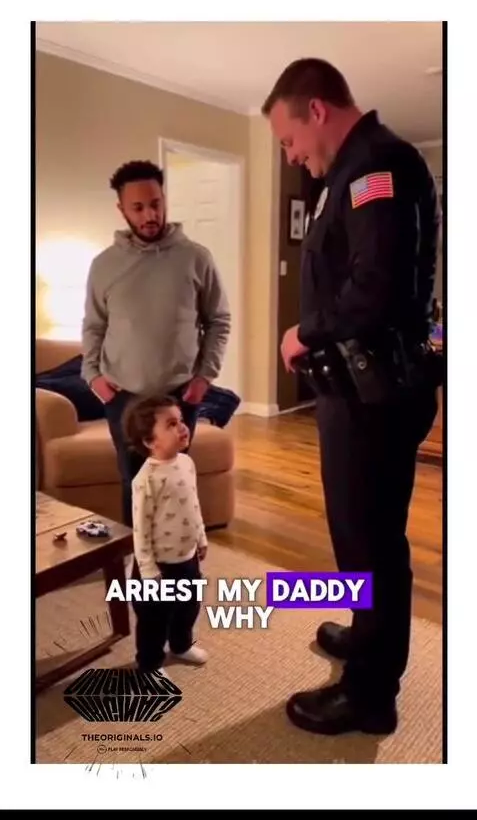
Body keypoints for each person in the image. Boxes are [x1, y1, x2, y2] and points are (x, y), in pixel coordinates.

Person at [262, 58, 442, 736]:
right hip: (352, 392)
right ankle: (367, 631)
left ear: (316, 110)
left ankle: (371, 695)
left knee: (371, 539)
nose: (290, 153)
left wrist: (302, 331)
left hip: (377, 396)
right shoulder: (347, 174)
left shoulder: (378, 168)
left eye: (287, 139)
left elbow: (378, 288)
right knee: (354, 532)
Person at [81, 160, 231, 527]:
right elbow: (94, 326)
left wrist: (203, 379)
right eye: (138, 207)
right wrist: (93, 377)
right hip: (124, 398)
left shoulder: (196, 257)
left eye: (156, 203)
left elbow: (218, 320)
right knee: (134, 485)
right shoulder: (104, 265)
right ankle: (139, 572)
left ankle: (179, 566)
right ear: (122, 210)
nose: (150, 214)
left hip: (180, 396)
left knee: (176, 483)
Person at [122, 393, 209, 671]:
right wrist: (147, 569)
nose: (182, 427)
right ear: (150, 441)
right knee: (153, 620)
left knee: (188, 606)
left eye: (181, 420)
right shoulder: (146, 480)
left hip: (186, 557)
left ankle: (181, 645)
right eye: (171, 424)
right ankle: (149, 664)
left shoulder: (186, 463)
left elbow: (193, 504)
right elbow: (141, 529)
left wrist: (201, 537)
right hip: (157, 567)